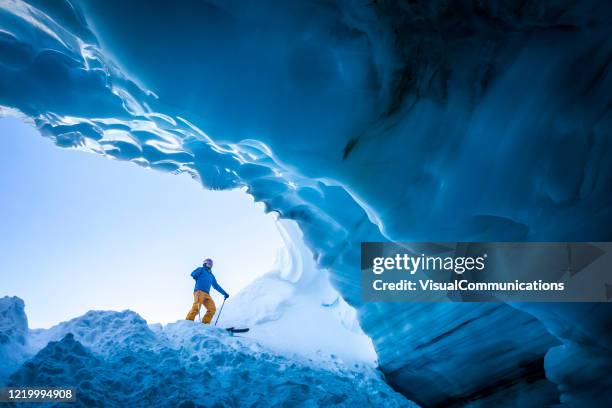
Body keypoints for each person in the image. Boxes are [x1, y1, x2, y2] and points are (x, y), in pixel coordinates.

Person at [185, 258, 229, 324]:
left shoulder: (211, 276)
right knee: (196, 308)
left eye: (211, 264)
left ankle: (205, 323)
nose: (210, 265)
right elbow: (193, 274)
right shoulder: (201, 269)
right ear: (205, 264)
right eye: (208, 263)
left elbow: (216, 286)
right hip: (199, 291)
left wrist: (224, 293)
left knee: (212, 309)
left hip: (207, 294)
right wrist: (195, 275)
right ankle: (188, 322)